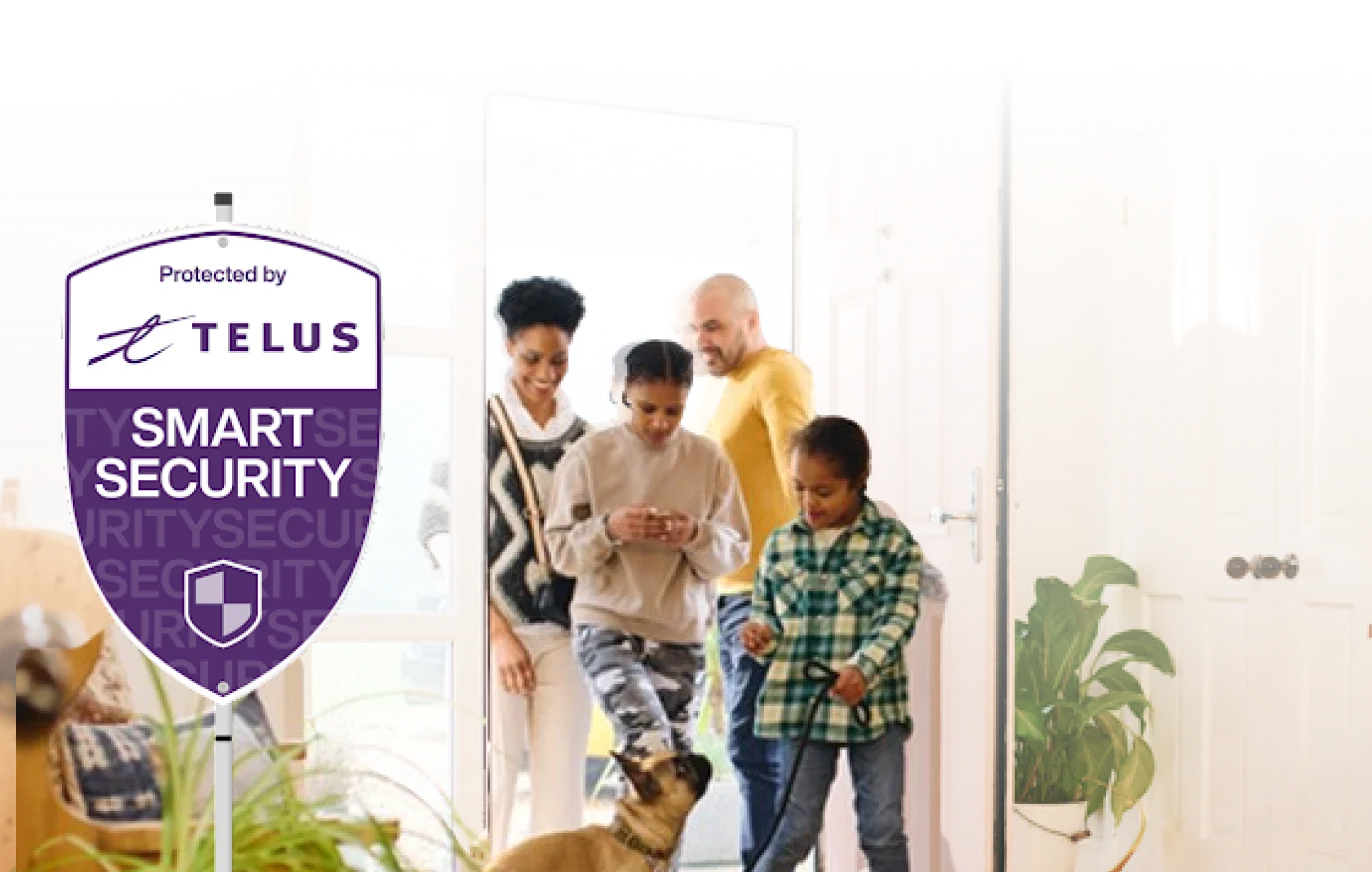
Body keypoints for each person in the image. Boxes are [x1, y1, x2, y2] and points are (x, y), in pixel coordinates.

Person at [418, 276, 592, 857]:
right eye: (532, 358)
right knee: (485, 790)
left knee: (562, 800)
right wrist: (495, 633)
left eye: (559, 359)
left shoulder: (587, 439)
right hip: (491, 637)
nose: (546, 372)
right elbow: (437, 530)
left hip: (565, 639)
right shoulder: (475, 425)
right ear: (505, 348)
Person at [544, 338, 750, 778]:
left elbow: (734, 549)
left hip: (682, 631)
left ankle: (633, 851)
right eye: (646, 408)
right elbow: (560, 551)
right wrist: (609, 529)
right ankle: (626, 848)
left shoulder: (708, 460)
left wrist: (693, 534)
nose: (660, 423)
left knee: (670, 778)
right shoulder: (587, 456)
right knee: (650, 748)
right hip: (607, 625)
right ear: (617, 389)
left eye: (673, 411)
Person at [741, 415, 923, 872]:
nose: (808, 502)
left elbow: (899, 615)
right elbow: (768, 612)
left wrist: (863, 668)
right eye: (799, 488)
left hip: (875, 705)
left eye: (823, 492)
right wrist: (760, 634)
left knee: (882, 830)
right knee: (794, 829)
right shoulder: (781, 544)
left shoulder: (893, 543)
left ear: (858, 481)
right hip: (800, 707)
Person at [682, 273, 813, 865]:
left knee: (758, 743)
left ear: (751, 319)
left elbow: (800, 470)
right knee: (750, 745)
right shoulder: (714, 388)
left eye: (711, 325)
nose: (698, 339)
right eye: (688, 328)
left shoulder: (776, 372)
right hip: (727, 589)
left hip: (771, 589)